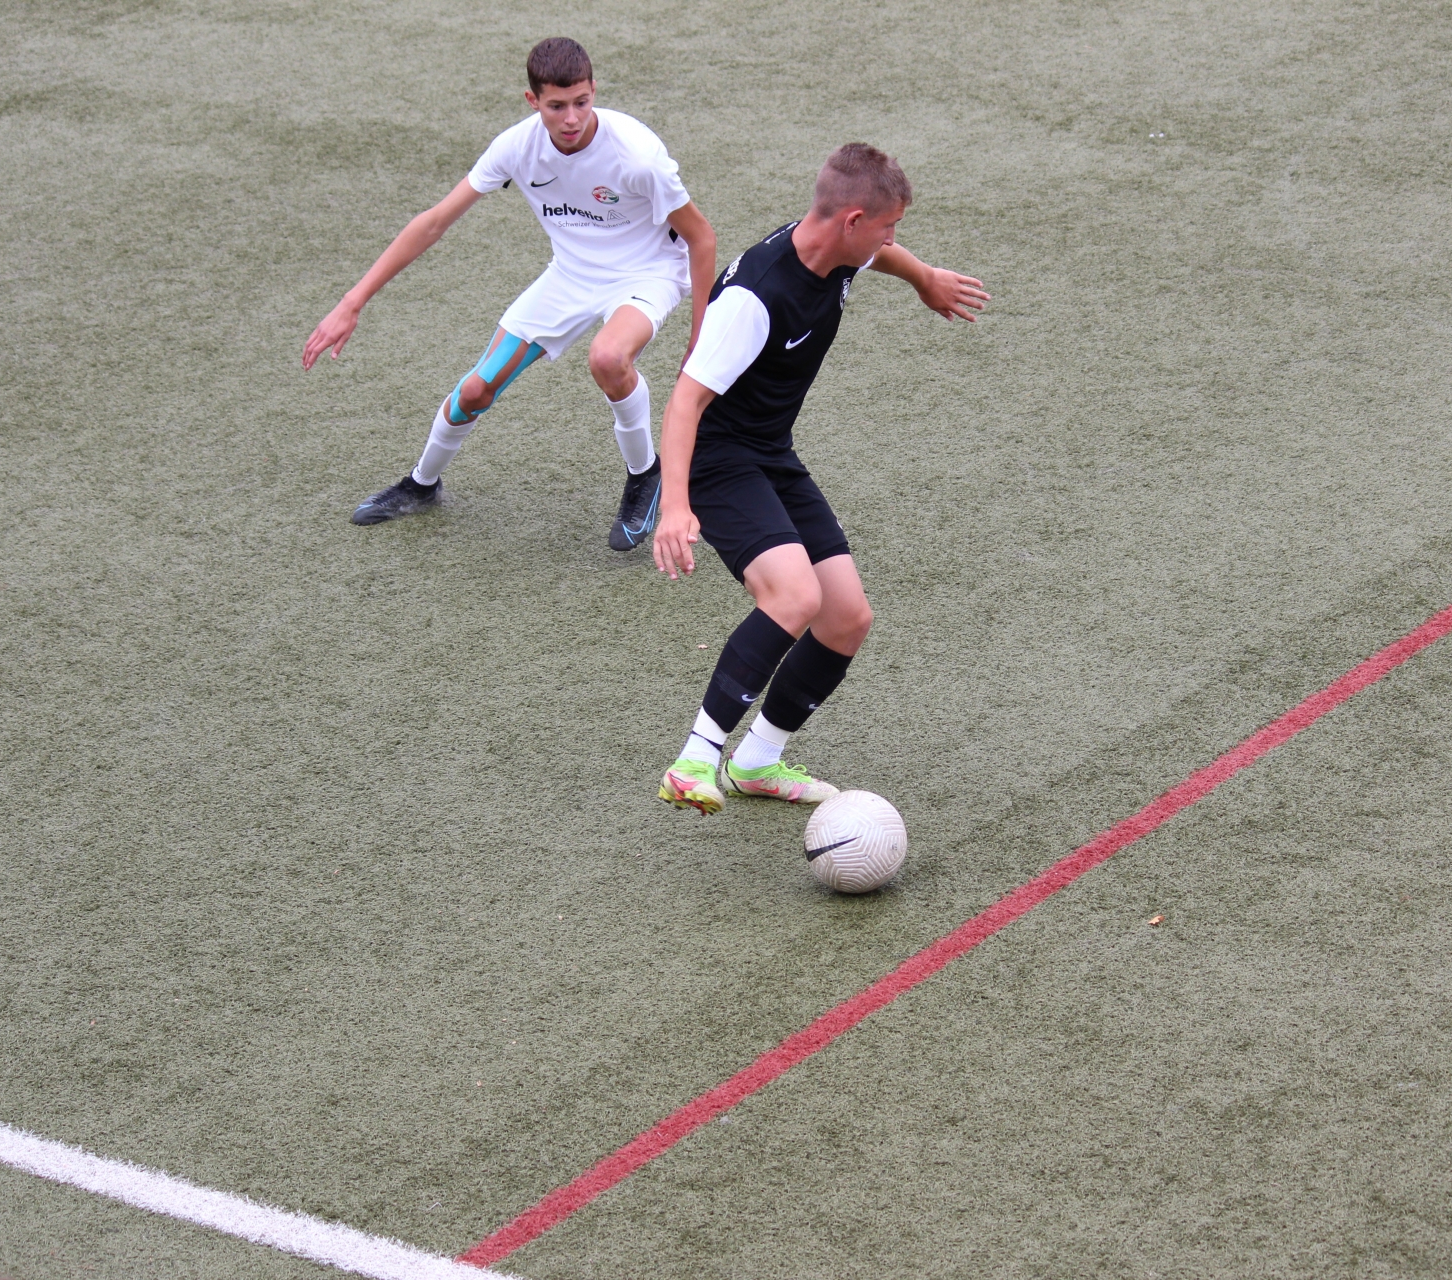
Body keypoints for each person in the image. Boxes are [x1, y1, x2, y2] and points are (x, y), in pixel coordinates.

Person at [653, 143, 988, 813]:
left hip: (769, 452)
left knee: (846, 618)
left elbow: (880, 256)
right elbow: (685, 401)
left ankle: (757, 762)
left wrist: (924, 278)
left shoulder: (838, 248)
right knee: (793, 596)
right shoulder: (755, 299)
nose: (891, 239)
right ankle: (694, 761)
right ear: (852, 219)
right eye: (888, 227)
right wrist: (675, 507)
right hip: (717, 459)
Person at [302, 37, 717, 549]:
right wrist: (352, 301)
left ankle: (645, 475)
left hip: (647, 272)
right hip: (570, 275)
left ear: (594, 90)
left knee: (608, 357)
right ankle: (421, 484)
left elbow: (701, 237)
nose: (571, 118)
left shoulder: (637, 155)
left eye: (582, 102)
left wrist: (700, 338)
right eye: (556, 106)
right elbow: (434, 223)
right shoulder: (516, 147)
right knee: (475, 390)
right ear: (532, 101)